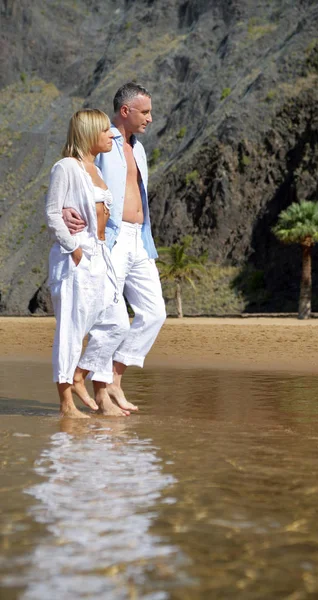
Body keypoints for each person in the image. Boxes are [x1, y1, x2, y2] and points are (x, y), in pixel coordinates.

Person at [62, 83, 166, 412]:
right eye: (145, 112)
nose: (150, 118)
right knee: (112, 315)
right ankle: (102, 390)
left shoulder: (139, 149)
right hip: (114, 239)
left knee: (154, 313)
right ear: (126, 111)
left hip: (141, 238)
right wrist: (65, 205)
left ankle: (114, 381)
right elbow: (77, 163)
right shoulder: (105, 138)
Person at [45, 109, 131, 418]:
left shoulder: (97, 170)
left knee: (118, 323)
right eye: (106, 130)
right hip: (75, 258)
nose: (112, 135)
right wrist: (74, 249)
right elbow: (53, 213)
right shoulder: (66, 167)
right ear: (89, 134)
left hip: (101, 255)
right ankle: (67, 404)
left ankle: (81, 374)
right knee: (71, 330)